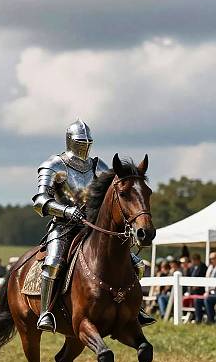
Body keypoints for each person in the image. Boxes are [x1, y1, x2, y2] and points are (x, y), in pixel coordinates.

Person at [32, 119, 154, 331]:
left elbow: (115, 193)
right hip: (63, 226)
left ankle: (135, 309)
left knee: (137, 264)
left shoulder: (99, 166)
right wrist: (67, 210)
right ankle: (46, 312)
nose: (84, 147)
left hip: (93, 226)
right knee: (53, 263)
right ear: (70, 141)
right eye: (80, 142)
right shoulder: (55, 165)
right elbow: (40, 202)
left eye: (87, 143)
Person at [194, 252, 216, 324]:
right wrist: (207, 291)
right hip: (208, 293)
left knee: (208, 299)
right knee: (197, 300)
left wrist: (209, 291)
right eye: (210, 259)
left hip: (213, 293)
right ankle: (198, 321)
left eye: (213, 258)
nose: (211, 260)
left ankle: (211, 321)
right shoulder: (210, 268)